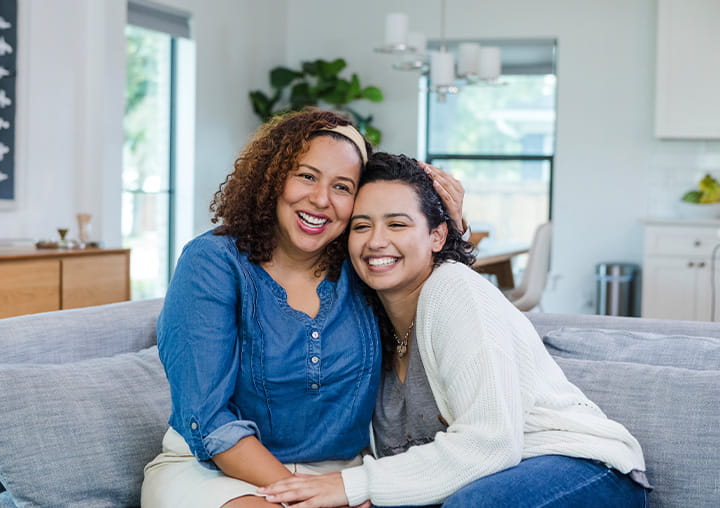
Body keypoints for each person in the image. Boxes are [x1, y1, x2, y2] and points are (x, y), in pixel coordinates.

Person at [258, 152, 650, 508]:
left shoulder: (454, 291)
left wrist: (354, 484)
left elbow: (491, 443)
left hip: (582, 469)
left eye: (397, 223)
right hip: (479, 481)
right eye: (362, 226)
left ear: (437, 235)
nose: (376, 241)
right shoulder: (365, 320)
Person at [141, 111, 467, 508]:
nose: (321, 200)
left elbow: (436, 313)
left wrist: (446, 229)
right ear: (273, 177)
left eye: (342, 187)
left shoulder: (365, 264)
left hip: (340, 475)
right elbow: (209, 420)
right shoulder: (212, 262)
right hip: (215, 471)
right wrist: (305, 498)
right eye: (307, 176)